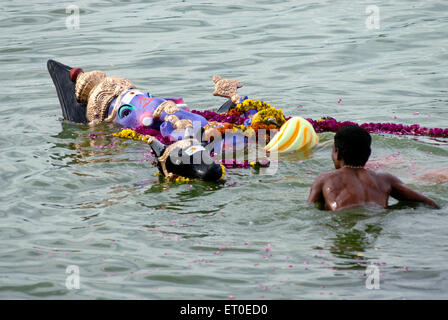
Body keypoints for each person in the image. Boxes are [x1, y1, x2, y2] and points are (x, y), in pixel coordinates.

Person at [307, 125, 440, 211]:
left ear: (337, 152)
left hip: (344, 223)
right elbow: (429, 203)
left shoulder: (324, 179)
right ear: (368, 153)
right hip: (376, 220)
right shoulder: (386, 179)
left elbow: (310, 211)